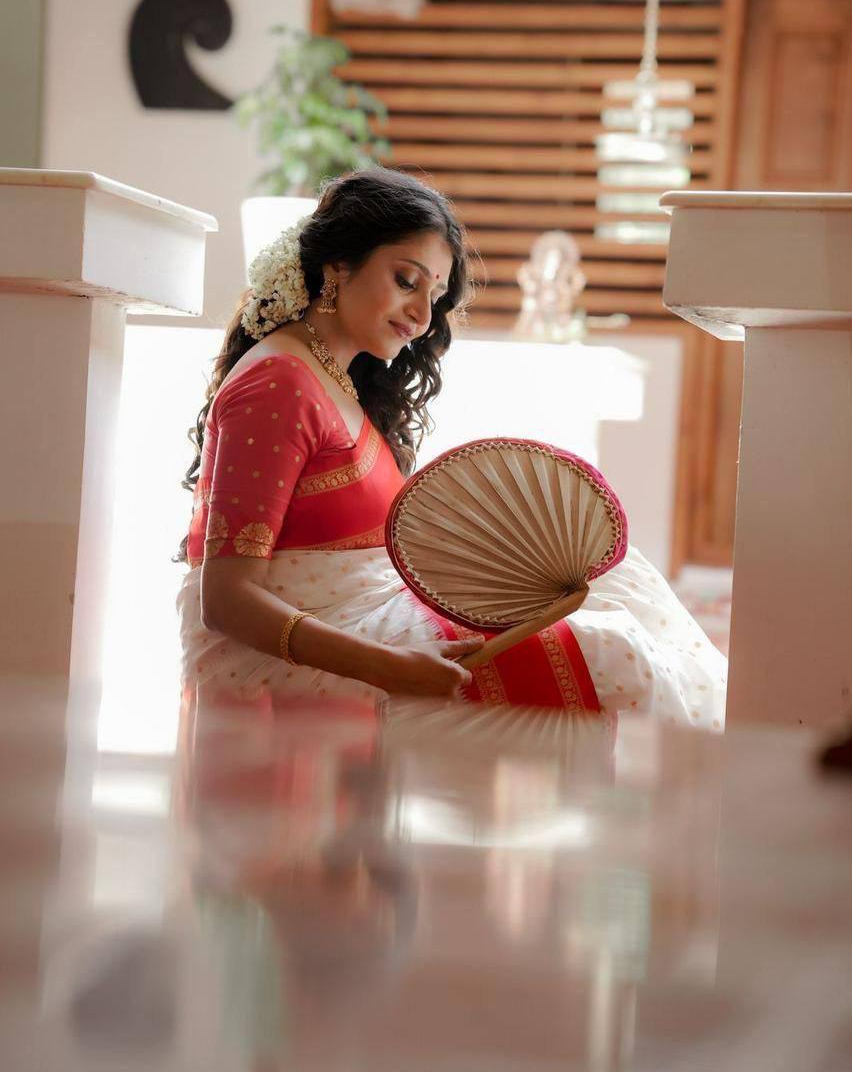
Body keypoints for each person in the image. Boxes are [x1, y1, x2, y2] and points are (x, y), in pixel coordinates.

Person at [176, 168, 726, 726]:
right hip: (287, 651)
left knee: (614, 578)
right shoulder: (279, 382)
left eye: (434, 297)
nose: (421, 317)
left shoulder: (334, 375)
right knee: (611, 651)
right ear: (338, 263)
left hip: (365, 610)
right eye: (406, 281)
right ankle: (709, 771)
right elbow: (225, 602)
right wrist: (389, 668)